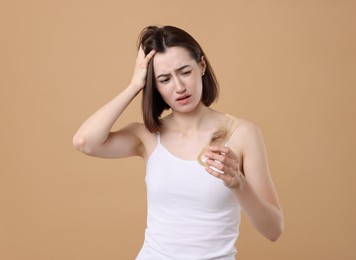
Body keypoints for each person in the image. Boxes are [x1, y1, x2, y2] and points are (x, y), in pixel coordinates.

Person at [73, 25, 283, 260]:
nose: (179, 87)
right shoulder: (148, 136)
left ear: (201, 66)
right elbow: (85, 142)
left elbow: (273, 230)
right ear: (155, 86)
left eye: (185, 72)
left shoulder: (243, 133)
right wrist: (134, 86)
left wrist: (238, 183)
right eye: (164, 79)